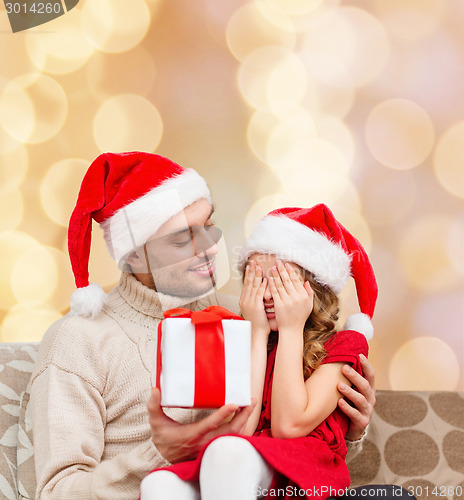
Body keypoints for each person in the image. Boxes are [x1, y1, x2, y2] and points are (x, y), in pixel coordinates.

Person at [30, 153, 375, 500]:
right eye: (183, 239)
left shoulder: (249, 313)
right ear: (133, 255)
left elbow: (288, 440)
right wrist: (160, 454)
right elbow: (57, 493)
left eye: (209, 226)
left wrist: (348, 424)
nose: (210, 249)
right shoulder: (77, 341)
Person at [140, 204, 378, 499]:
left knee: (227, 451)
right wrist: (256, 332)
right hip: (245, 466)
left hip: (302, 473)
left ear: (314, 287)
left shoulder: (344, 344)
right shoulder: (250, 339)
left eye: (279, 281)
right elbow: (243, 428)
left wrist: (292, 329)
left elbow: (288, 426)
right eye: (256, 281)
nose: (266, 294)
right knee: (158, 484)